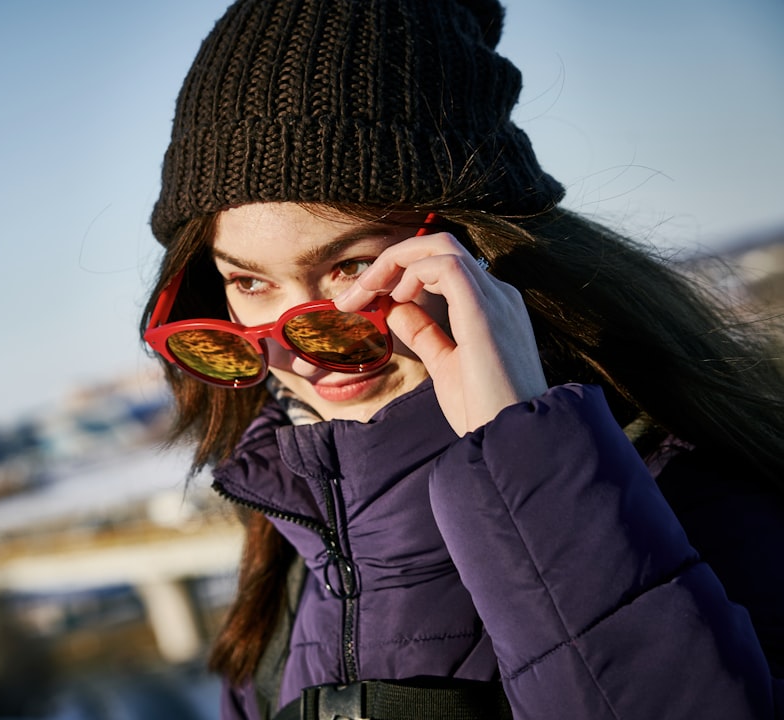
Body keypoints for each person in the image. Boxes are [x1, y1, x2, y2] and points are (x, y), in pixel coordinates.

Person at [140, 1, 784, 718]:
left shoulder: (690, 504)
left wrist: (531, 464)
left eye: (352, 265)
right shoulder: (290, 547)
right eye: (250, 281)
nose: (302, 346)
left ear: (476, 250)